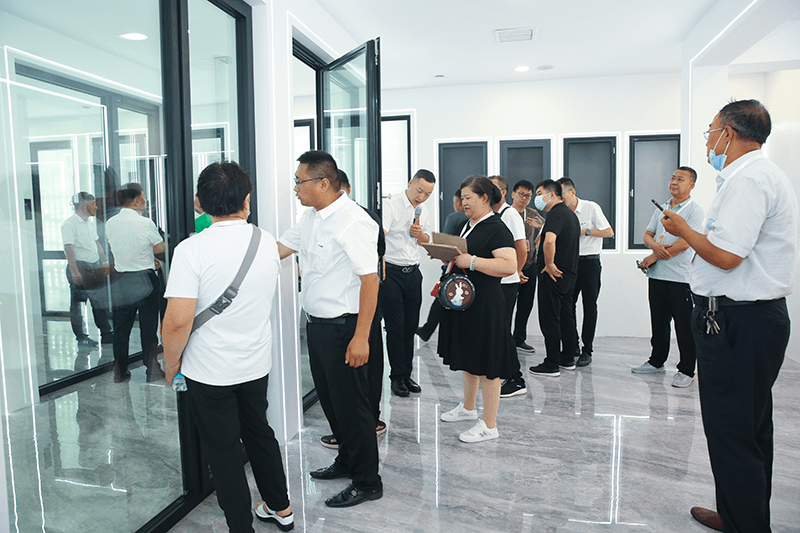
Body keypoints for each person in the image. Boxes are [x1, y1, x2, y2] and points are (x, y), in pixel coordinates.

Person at [661, 100, 797, 533]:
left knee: (732, 430)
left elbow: (725, 257)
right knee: (747, 426)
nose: (708, 142)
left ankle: (745, 524)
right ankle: (741, 514)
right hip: (746, 319)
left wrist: (684, 231)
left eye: (711, 132)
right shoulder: (754, 176)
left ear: (730, 134)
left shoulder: (749, 180)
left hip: (740, 322)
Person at [162, 161, 293, 533]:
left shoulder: (191, 250)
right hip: (255, 364)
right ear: (247, 200)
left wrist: (171, 364)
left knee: (223, 451)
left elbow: (177, 321)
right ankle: (281, 508)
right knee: (259, 434)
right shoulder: (265, 241)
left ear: (200, 203)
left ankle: (240, 527)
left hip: (209, 371)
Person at [278, 150, 382, 508]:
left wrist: (361, 337)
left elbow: (370, 281)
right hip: (318, 328)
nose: (295, 188)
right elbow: (281, 248)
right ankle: (347, 460)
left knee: (354, 408)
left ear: (323, 183)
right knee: (333, 403)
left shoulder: (354, 221)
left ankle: (367, 481)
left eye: (299, 181)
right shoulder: (311, 217)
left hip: (345, 329)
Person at [438, 175, 517, 443]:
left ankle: (490, 425)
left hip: (486, 305)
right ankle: (468, 408)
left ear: (484, 198)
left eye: (468, 197)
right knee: (470, 359)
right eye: (462, 197)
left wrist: (471, 261)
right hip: (467, 302)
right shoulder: (469, 225)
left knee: (487, 364)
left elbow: (509, 265)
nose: (463, 202)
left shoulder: (497, 228)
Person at [320, 170, 387, 449]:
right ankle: (349, 445)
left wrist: (362, 333)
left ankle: (371, 424)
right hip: (333, 318)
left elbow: (374, 271)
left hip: (358, 311)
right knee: (341, 388)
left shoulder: (359, 219)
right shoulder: (317, 219)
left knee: (364, 375)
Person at [631, 167, 704, 388]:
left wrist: (654, 256)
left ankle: (687, 370)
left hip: (680, 278)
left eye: (680, 179)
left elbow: (687, 242)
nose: (674, 182)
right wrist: (654, 246)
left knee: (684, 327)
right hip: (657, 276)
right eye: (672, 178)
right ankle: (656, 362)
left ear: (692, 185)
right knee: (659, 322)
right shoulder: (662, 208)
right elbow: (648, 234)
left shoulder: (695, 211)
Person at [380, 169, 435, 397]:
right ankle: (396, 377)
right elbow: (380, 237)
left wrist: (420, 234)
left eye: (428, 194)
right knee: (395, 328)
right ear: (411, 182)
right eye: (419, 190)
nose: (422, 197)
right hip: (391, 273)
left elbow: (426, 241)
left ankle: (406, 374)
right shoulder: (391, 205)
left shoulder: (423, 210)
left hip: (413, 273)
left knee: (410, 327)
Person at [105, 183, 165, 382]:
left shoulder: (111, 223)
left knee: (121, 329)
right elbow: (160, 248)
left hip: (122, 280)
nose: (146, 200)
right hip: (144, 279)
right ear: (137, 200)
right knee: (148, 328)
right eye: (144, 197)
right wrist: (149, 256)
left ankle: (120, 371)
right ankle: (152, 370)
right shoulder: (145, 223)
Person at [557, 178, 613, 367]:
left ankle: (587, 350)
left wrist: (585, 231)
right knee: (567, 305)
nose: (560, 198)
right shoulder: (561, 212)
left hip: (590, 263)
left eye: (562, 194)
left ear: (572, 192)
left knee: (589, 306)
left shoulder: (591, 207)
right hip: (569, 264)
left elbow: (609, 232)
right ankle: (572, 346)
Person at [528, 179, 580, 377]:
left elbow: (549, 241)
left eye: (539, 193)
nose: (537, 198)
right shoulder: (570, 214)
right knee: (566, 317)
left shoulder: (555, 214)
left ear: (551, 194)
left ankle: (551, 363)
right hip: (568, 274)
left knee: (550, 318)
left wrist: (549, 264)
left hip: (553, 274)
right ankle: (567, 359)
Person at [488, 176, 528, 399]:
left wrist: (517, 271)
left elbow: (521, 248)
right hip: (495, 281)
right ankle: (503, 373)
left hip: (506, 283)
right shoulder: (492, 215)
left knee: (503, 331)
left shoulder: (509, 214)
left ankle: (515, 378)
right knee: (498, 331)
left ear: (503, 192)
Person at [61, 192, 113, 347]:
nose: (96, 207)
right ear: (83, 206)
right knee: (77, 305)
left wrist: (105, 261)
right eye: (93, 204)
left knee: (99, 302)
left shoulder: (89, 223)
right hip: (80, 267)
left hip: (94, 266)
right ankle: (82, 337)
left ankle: (106, 334)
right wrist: (75, 271)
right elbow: (69, 248)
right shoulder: (69, 224)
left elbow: (96, 244)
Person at [417, 189, 468, 342]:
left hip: (452, 267)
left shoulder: (454, 218)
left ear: (458, 202)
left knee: (442, 298)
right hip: (470, 269)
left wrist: (436, 250)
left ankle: (427, 330)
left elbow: (445, 245)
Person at [511, 179, 544, 354]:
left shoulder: (532, 213)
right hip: (510, 265)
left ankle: (519, 339)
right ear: (513, 194)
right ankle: (503, 338)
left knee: (526, 304)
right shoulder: (506, 213)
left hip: (530, 264)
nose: (524, 198)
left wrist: (537, 241)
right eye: (521, 194)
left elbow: (549, 228)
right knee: (507, 304)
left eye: (528, 196)